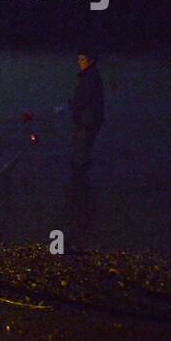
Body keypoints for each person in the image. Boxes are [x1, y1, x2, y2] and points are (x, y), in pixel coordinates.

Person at [65, 51, 104, 219]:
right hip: (87, 119)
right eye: (78, 59)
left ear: (90, 61)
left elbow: (84, 99)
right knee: (81, 149)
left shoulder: (90, 77)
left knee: (80, 151)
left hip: (88, 120)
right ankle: (81, 188)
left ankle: (79, 187)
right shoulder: (88, 76)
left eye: (82, 59)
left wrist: (72, 104)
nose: (79, 62)